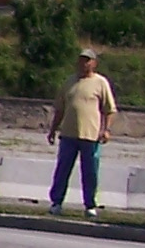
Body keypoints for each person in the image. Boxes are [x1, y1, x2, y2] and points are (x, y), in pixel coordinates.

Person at [45, 46, 116, 217]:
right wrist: (53, 129)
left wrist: (106, 130)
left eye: (87, 60)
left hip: (90, 136)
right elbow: (60, 109)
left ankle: (90, 204)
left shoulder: (100, 82)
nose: (83, 63)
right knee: (63, 169)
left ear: (94, 63)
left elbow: (110, 109)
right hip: (69, 135)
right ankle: (56, 202)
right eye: (81, 60)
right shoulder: (69, 82)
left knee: (90, 172)